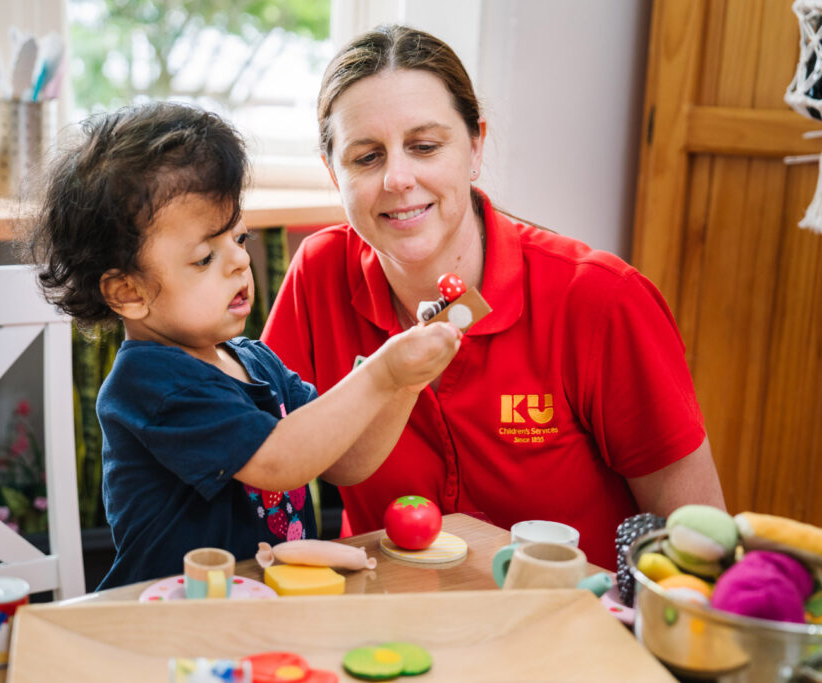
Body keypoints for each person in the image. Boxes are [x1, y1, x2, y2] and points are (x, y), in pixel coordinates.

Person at [261, 25, 726, 569]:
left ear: (475, 146)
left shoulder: (602, 300)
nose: (398, 177)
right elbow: (265, 460)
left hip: (571, 629)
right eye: (366, 157)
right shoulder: (318, 275)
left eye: (425, 146)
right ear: (331, 172)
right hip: (384, 631)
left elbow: (695, 543)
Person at [23, 101, 462, 588]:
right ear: (128, 292)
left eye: (239, 237)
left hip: (262, 603)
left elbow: (344, 462)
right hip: (173, 619)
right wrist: (381, 373)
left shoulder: (254, 361)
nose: (239, 262)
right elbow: (277, 461)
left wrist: (404, 385)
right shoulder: (150, 385)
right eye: (205, 257)